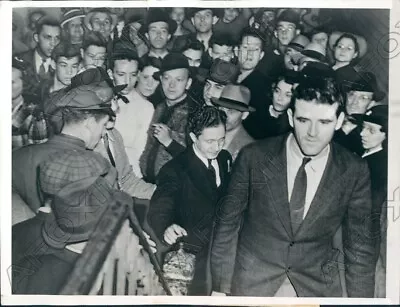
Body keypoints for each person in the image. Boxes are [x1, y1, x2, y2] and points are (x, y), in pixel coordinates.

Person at [211, 76, 376, 297]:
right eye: (303, 120)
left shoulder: (354, 170)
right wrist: (220, 288)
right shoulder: (254, 157)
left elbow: (360, 249)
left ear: (339, 121)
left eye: (324, 122)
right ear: (290, 117)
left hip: (315, 289)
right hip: (252, 285)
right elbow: (227, 224)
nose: (312, 133)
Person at [148, 106, 232, 295]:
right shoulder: (175, 169)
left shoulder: (225, 158)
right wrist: (166, 227)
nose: (217, 147)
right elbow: (160, 208)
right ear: (193, 137)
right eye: (210, 141)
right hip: (191, 256)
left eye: (221, 140)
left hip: (219, 252)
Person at [139, 53, 196, 184]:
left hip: (176, 190)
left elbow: (196, 162)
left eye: (179, 80)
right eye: (167, 78)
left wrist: (170, 142)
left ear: (188, 83)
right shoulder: (159, 106)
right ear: (161, 80)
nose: (171, 85)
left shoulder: (195, 113)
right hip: (148, 185)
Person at [107, 49, 155, 177]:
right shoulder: (96, 100)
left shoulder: (146, 108)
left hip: (130, 174)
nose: (127, 81)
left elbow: (139, 152)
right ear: (110, 73)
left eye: (133, 75)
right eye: (121, 74)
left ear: (138, 74)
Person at [334, 71, 385, 156]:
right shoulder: (333, 115)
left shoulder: (366, 136)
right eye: (352, 95)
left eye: (363, 98)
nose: (354, 102)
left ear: (371, 104)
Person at [235, 27, 270, 140]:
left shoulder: (265, 87)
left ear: (261, 55)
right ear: (236, 50)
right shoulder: (226, 76)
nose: (249, 54)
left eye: (255, 50)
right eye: (245, 48)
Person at [16, 16, 61, 96]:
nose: (53, 43)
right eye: (48, 37)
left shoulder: (64, 64)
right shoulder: (18, 61)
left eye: (57, 38)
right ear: (36, 38)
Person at [211, 84, 255, 161]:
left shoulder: (250, 149)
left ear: (244, 115)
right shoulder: (206, 132)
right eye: (221, 109)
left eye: (231, 111)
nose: (224, 115)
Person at [257, 9, 301, 79]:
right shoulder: (266, 57)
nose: (284, 32)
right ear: (276, 33)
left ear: (297, 32)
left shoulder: (300, 58)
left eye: (289, 28)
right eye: (281, 29)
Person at [260, 72, 298, 139]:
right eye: (277, 91)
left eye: (288, 95)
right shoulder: (257, 113)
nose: (280, 98)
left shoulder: (292, 126)